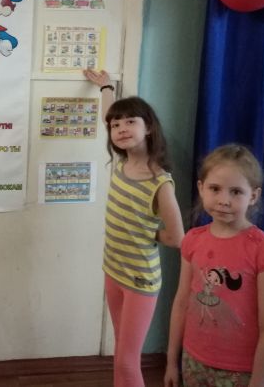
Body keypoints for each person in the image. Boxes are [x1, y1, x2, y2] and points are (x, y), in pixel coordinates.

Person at [84, 69, 184, 387]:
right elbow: (108, 115)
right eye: (116, 125)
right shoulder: (122, 163)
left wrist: (144, 230)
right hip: (113, 269)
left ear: (149, 127)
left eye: (130, 122)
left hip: (140, 279)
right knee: (121, 354)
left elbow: (177, 237)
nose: (121, 128)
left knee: (127, 361)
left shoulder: (160, 181)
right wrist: (105, 87)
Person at [164, 144, 264, 387]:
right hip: (193, 361)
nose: (223, 200)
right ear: (201, 188)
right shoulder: (193, 240)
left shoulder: (263, 248)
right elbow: (181, 302)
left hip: (241, 370)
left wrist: (260, 380)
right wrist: (171, 361)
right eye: (215, 189)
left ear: (253, 196)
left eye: (236, 192)